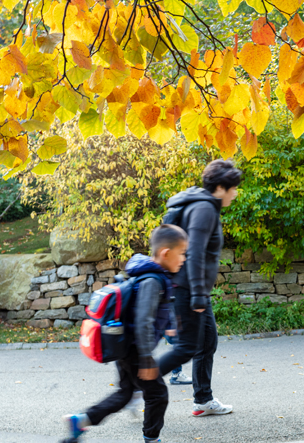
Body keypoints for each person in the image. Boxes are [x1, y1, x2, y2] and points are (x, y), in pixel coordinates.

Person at [64, 224, 188, 443]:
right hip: (135, 350)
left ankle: (80, 421)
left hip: (126, 346)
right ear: (166, 253)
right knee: (158, 395)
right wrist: (146, 359)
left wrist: (169, 323)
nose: (184, 259)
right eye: (182, 253)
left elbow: (152, 309)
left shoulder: (150, 276)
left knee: (125, 393)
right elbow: (143, 319)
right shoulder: (153, 280)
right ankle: (151, 439)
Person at [158, 159, 242, 417]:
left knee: (206, 343)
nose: (236, 193)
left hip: (192, 288)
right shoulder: (205, 209)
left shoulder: (202, 204)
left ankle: (202, 399)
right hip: (188, 289)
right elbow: (193, 253)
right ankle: (138, 382)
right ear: (220, 187)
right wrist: (197, 294)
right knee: (187, 347)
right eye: (233, 188)